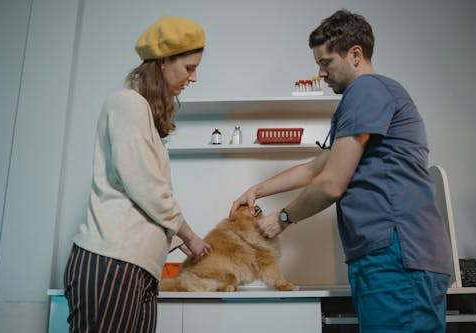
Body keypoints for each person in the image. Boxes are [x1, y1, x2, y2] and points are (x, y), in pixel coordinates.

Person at [231, 9, 452, 332]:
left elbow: (332, 183)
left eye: (325, 62)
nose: (321, 72)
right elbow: (316, 167)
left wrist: (282, 219)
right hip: (390, 256)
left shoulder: (367, 90)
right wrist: (258, 190)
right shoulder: (370, 98)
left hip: (396, 256)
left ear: (355, 54)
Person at [64, 16, 212, 332]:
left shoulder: (140, 111)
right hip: (111, 265)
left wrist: (174, 236)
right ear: (161, 63)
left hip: (136, 268)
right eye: (189, 67)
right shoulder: (127, 104)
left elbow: (143, 198)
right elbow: (146, 186)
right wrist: (189, 235)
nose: (194, 77)